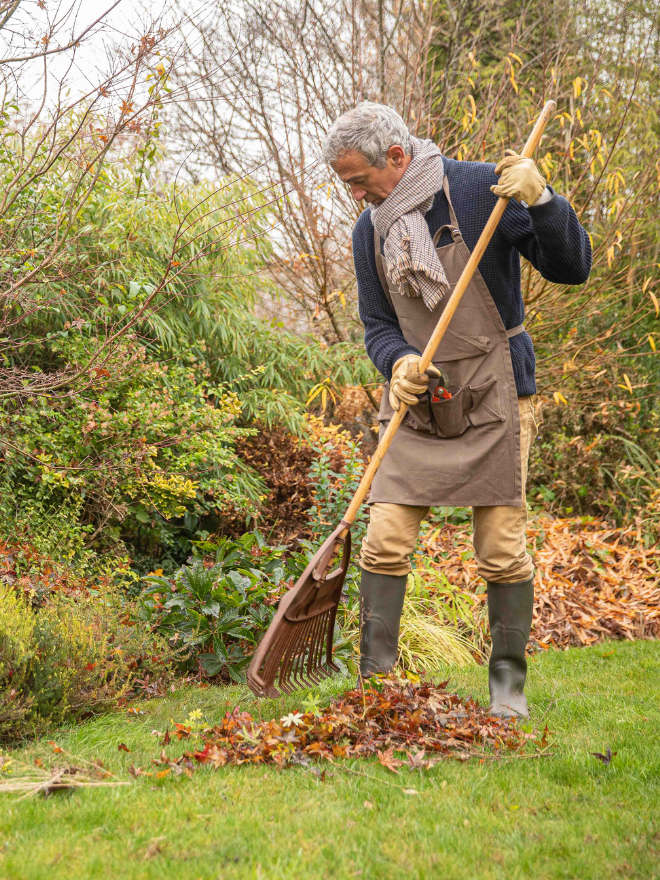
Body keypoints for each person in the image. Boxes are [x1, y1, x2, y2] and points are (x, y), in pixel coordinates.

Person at [322, 102, 591, 717]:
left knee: (500, 545)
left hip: (497, 393)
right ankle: (376, 692)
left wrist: (544, 201)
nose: (355, 193)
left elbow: (573, 267)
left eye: (359, 178)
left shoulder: (478, 191)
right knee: (385, 541)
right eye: (347, 184)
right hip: (419, 401)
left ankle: (506, 691)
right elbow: (378, 327)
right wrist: (397, 363)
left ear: (395, 157)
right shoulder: (372, 230)